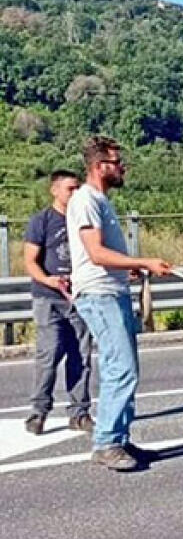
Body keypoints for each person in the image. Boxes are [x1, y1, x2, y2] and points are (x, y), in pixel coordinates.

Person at [66, 135, 172, 472]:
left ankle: (120, 437)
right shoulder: (85, 201)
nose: (122, 167)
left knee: (126, 368)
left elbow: (102, 256)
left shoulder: (101, 201)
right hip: (99, 294)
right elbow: (95, 253)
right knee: (120, 367)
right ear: (100, 167)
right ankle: (107, 442)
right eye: (116, 162)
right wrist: (144, 260)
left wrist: (132, 268)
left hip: (111, 290)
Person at [23, 169, 94, 436]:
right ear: (55, 190)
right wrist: (50, 281)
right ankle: (39, 411)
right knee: (49, 355)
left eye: (78, 189)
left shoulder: (83, 220)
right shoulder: (41, 221)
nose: (75, 194)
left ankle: (79, 412)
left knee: (81, 356)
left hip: (79, 296)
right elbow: (30, 260)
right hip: (49, 298)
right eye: (70, 189)